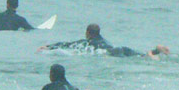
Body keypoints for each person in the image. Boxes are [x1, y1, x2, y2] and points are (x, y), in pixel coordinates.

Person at [38, 23, 169, 58]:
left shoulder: (87, 42)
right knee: (140, 55)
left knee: (139, 58)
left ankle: (154, 52)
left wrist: (49, 47)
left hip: (112, 53)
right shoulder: (103, 40)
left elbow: (67, 44)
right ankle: (156, 51)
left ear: (88, 33)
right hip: (120, 48)